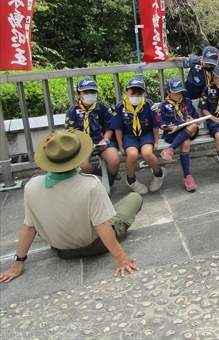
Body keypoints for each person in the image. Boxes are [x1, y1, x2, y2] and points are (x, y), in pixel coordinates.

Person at [0, 130, 141, 282]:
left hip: (61, 251)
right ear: (78, 158)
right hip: (95, 246)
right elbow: (102, 225)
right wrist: (121, 258)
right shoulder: (91, 184)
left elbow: (29, 226)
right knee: (134, 198)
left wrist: (18, 262)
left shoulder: (32, 185)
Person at [112, 78, 164, 195]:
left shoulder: (148, 104)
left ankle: (158, 174)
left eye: (139, 93)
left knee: (147, 153)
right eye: (132, 93)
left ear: (143, 94)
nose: (135, 96)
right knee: (132, 154)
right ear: (126, 92)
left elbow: (155, 125)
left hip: (146, 134)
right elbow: (118, 128)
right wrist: (120, 146)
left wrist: (156, 141)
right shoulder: (120, 107)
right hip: (129, 135)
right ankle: (131, 180)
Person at [65, 77, 120, 187]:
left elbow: (110, 128)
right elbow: (71, 133)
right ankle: (100, 174)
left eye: (92, 92)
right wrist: (86, 144)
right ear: (78, 94)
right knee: (83, 166)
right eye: (86, 92)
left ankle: (109, 182)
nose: (89, 95)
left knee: (114, 160)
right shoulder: (72, 111)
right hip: (83, 143)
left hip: (102, 140)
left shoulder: (103, 107)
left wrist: (105, 140)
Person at [159, 78, 200, 192]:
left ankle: (170, 149)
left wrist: (192, 119)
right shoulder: (163, 106)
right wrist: (169, 127)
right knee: (185, 142)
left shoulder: (187, 102)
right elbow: (161, 124)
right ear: (168, 92)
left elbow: (196, 118)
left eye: (180, 92)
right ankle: (187, 177)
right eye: (175, 92)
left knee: (193, 126)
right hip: (173, 133)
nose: (179, 95)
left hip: (190, 129)